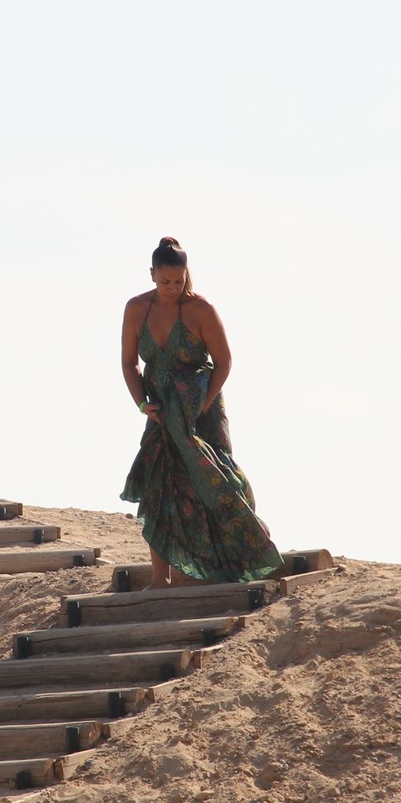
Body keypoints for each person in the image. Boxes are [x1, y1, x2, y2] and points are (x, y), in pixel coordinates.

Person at [118, 237, 285, 588]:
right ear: (152, 274)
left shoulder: (200, 309)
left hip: (201, 411)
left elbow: (224, 362)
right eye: (165, 281)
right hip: (161, 412)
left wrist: (203, 404)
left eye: (178, 281)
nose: (172, 288)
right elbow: (129, 362)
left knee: (216, 480)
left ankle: (251, 550)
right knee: (159, 486)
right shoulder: (136, 309)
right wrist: (142, 403)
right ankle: (160, 579)